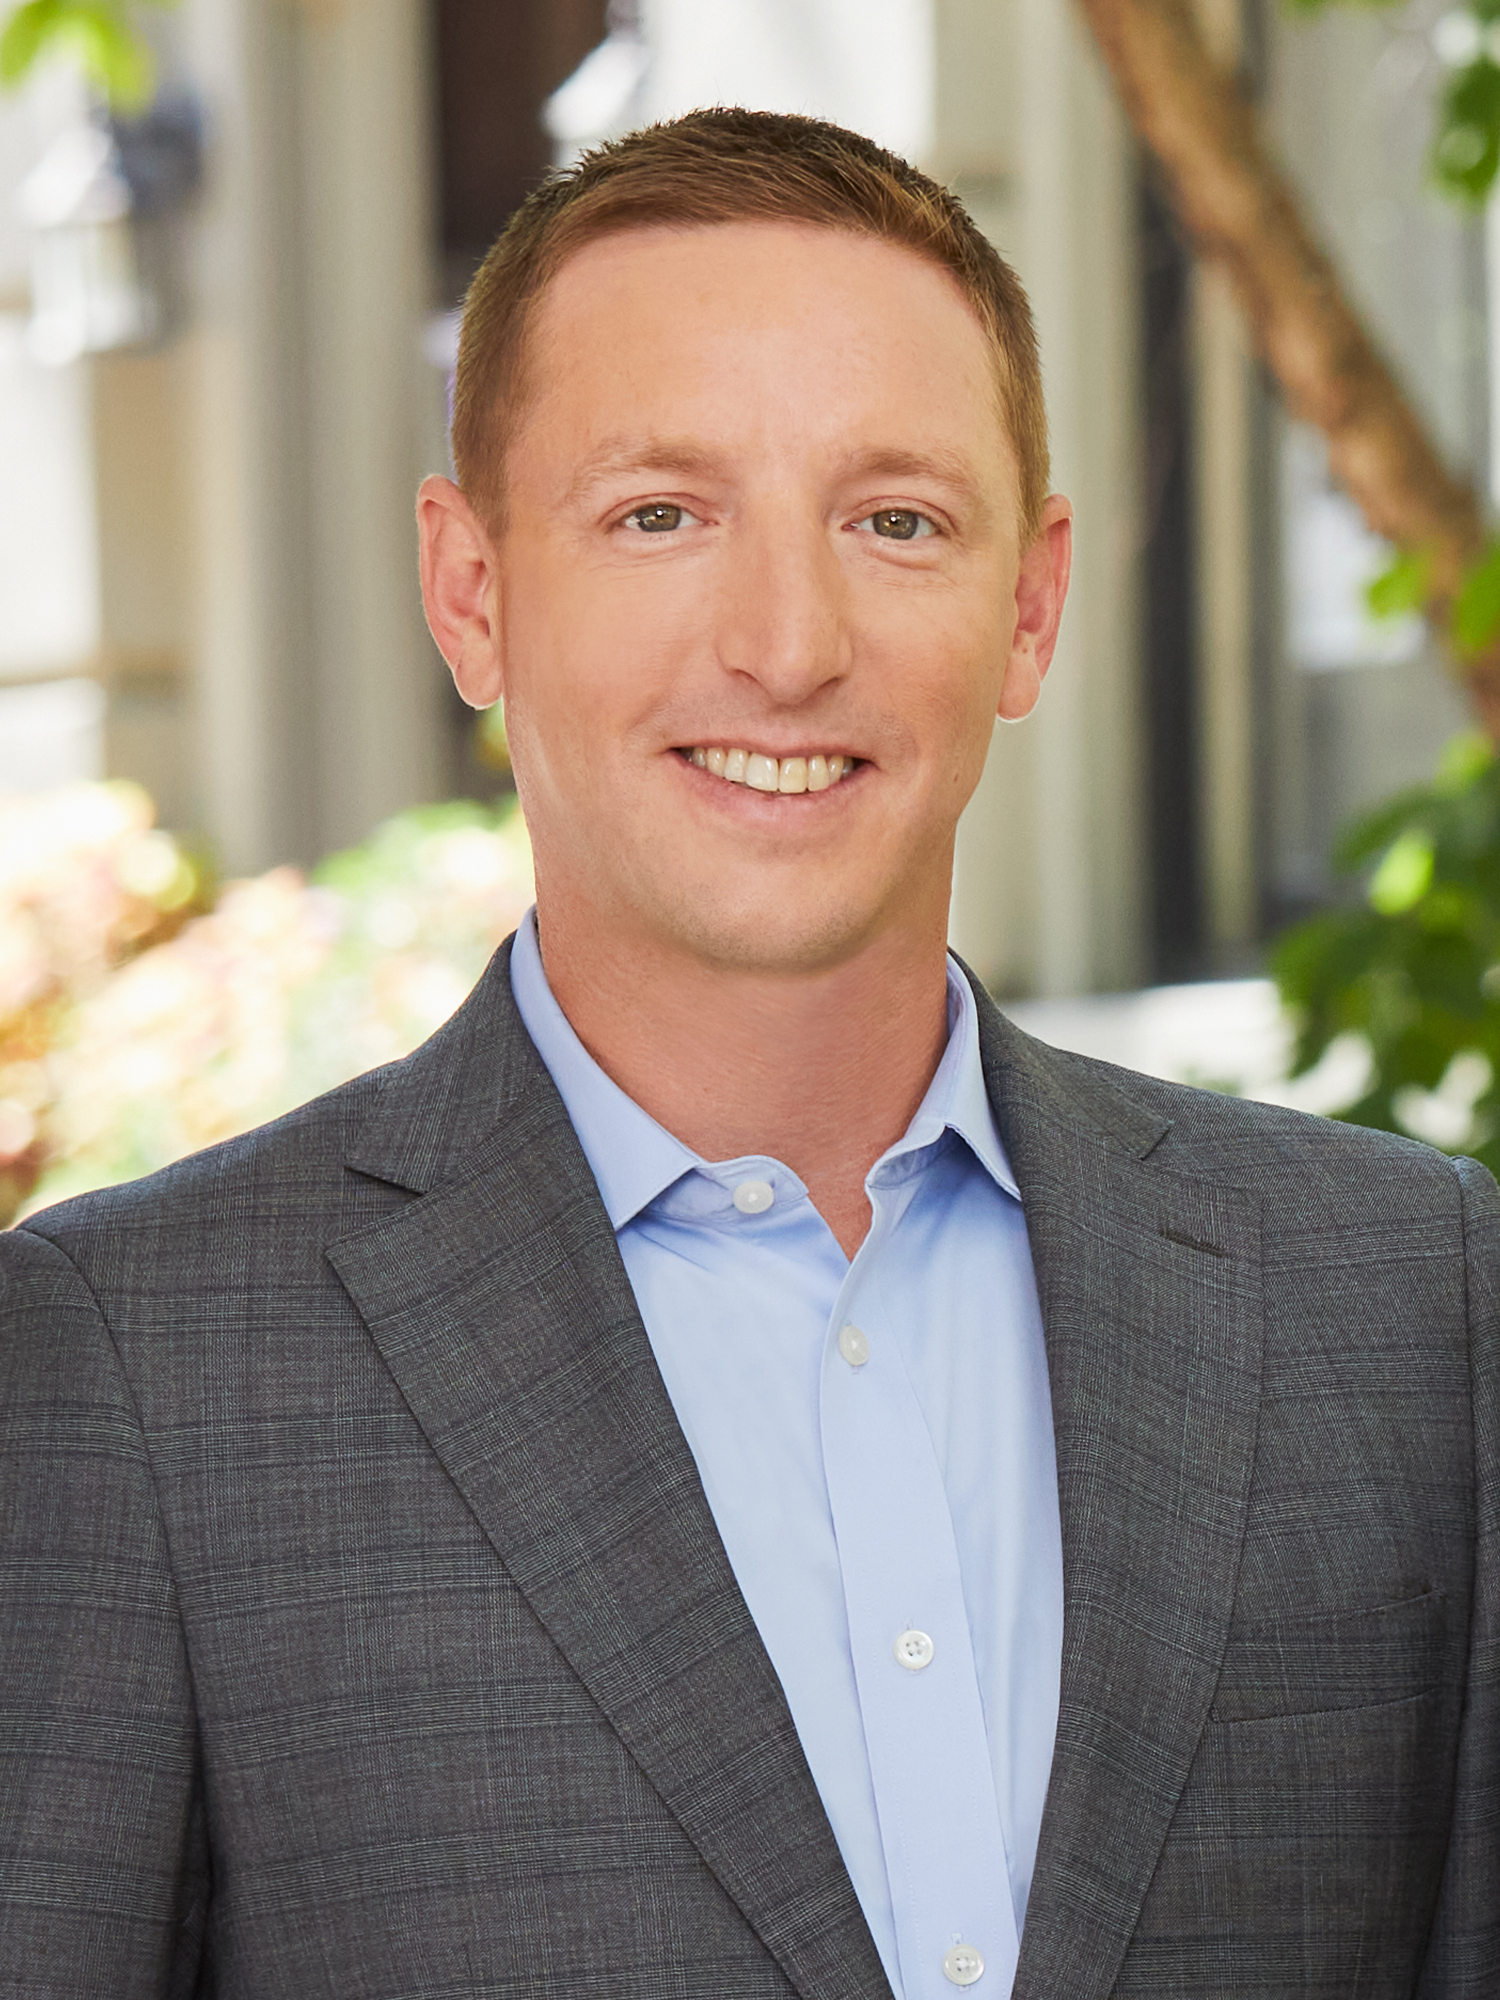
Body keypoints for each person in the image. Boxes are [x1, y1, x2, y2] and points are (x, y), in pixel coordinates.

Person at [0, 107, 1493, 2000]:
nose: (789, 645)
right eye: (660, 515)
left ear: (1030, 608)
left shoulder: (1412, 1302)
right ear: (472, 594)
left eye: (895, 521)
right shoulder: (135, 1370)